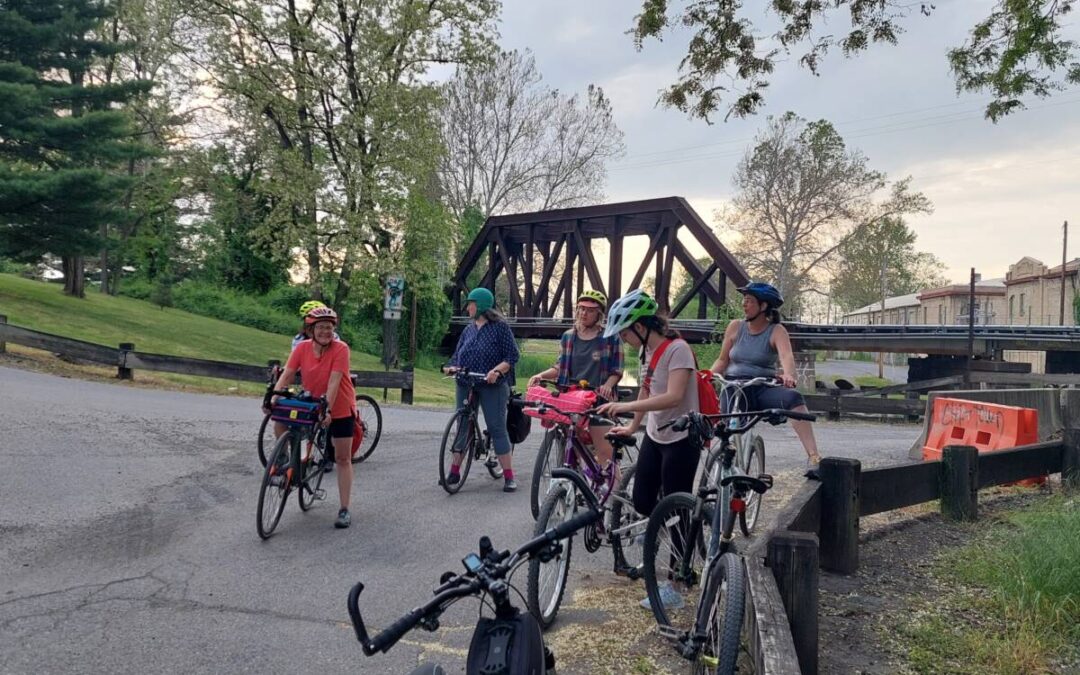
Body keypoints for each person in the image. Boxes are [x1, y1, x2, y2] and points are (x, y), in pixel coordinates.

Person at [596, 289, 699, 610]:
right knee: (642, 500)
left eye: (625, 332)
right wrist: (632, 425)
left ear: (642, 326)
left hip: (682, 438)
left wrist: (626, 406)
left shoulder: (678, 350)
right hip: (655, 436)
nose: (624, 339)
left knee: (677, 509)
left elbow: (673, 396)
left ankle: (677, 583)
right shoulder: (647, 353)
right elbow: (646, 386)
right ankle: (661, 524)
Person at [709, 282, 822, 467]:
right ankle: (723, 470)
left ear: (763, 306)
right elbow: (722, 360)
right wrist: (707, 376)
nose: (744, 305)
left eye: (749, 301)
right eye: (744, 300)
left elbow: (787, 356)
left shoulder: (776, 330)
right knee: (726, 429)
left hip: (761, 387)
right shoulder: (735, 327)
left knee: (794, 399)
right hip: (733, 386)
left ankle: (814, 457)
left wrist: (789, 376)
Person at [267, 306, 357, 529]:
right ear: (310, 330)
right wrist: (275, 395)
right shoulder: (302, 348)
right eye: (320, 327)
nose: (326, 331)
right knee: (280, 420)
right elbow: (287, 374)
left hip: (340, 406)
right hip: (312, 403)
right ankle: (287, 462)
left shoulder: (341, 349)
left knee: (343, 458)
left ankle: (344, 508)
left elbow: (335, 382)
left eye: (329, 327)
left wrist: (328, 410)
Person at [528, 289, 624, 470]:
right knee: (575, 448)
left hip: (598, 399)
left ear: (599, 314)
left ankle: (615, 493)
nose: (583, 313)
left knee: (605, 454)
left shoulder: (610, 337)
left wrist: (608, 385)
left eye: (590, 310)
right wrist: (540, 375)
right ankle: (579, 480)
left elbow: (617, 370)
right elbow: (559, 367)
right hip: (572, 399)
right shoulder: (568, 336)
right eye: (581, 308)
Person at [443, 288, 521, 492]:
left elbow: (512, 356)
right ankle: (453, 471)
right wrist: (451, 367)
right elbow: (457, 355)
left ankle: (509, 476)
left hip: (491, 385)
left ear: (482, 306)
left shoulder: (500, 328)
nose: (468, 307)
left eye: (471, 303)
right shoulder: (468, 330)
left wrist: (496, 371)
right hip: (466, 381)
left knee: (496, 427)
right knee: (462, 424)